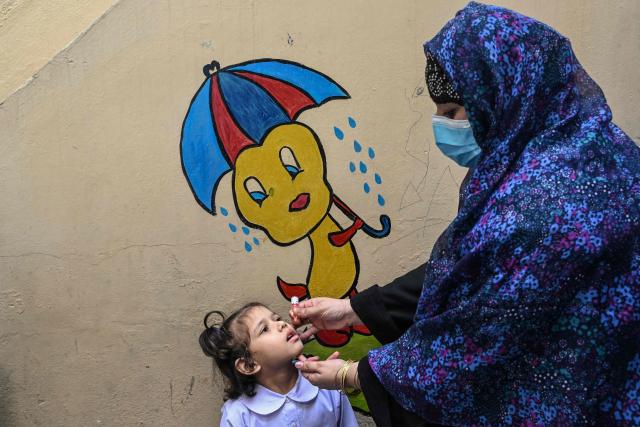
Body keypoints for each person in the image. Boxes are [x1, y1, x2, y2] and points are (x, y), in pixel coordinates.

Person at [291, 2, 640, 425]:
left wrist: (355, 373)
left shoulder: (537, 211)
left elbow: (476, 341)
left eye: (454, 112)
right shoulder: (599, 153)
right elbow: (481, 265)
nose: (442, 126)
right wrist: (355, 310)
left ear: (504, 97)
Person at [199, 303, 359, 426]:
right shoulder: (238, 415)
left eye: (277, 318)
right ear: (249, 365)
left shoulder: (327, 386)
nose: (281, 324)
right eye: (264, 329)